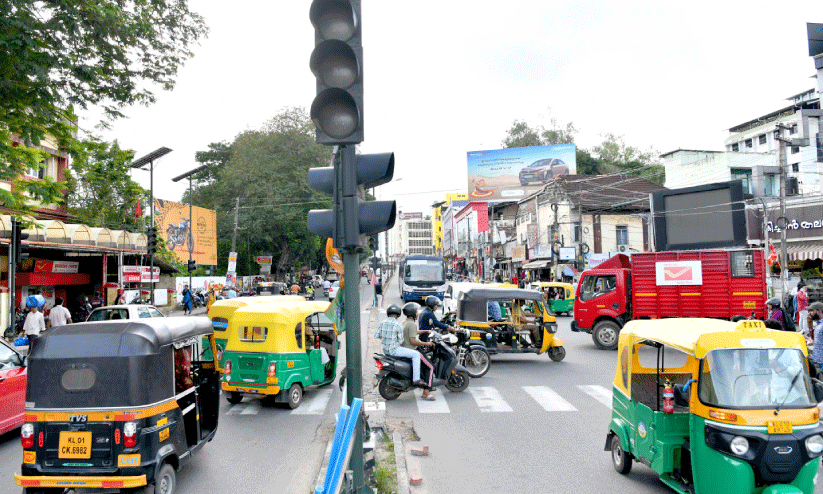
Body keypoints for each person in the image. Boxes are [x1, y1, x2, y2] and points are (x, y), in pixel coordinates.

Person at [375, 305, 427, 388]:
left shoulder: (382, 323)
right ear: (398, 315)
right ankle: (416, 379)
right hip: (394, 350)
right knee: (416, 354)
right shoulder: (398, 325)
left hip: (385, 350)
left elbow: (377, 335)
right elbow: (401, 340)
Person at [401, 304, 436, 400]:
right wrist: (426, 343)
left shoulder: (405, 323)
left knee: (425, 366)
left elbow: (414, 332)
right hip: (413, 349)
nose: (417, 313)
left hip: (406, 348)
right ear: (412, 313)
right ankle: (427, 392)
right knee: (430, 366)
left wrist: (426, 331)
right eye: (416, 312)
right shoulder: (411, 324)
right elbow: (413, 340)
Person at [808, 302, 823, 380]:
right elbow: (815, 338)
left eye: (812, 311)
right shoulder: (818, 324)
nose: (810, 313)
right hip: (818, 360)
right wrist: (809, 324)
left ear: (819, 311)